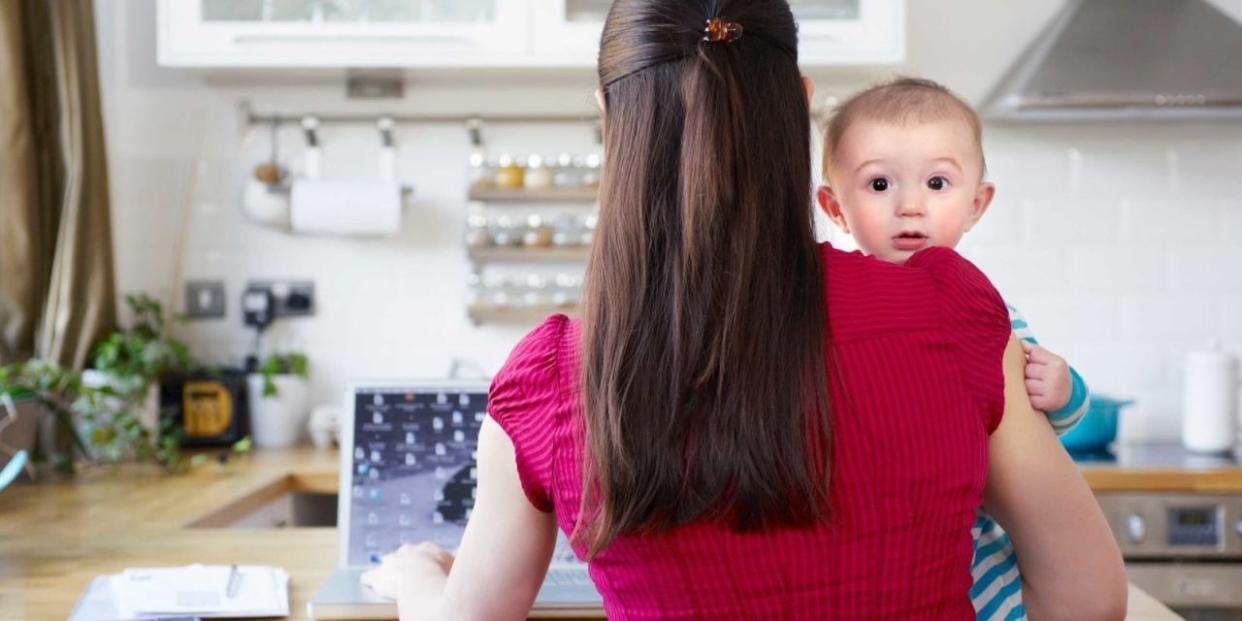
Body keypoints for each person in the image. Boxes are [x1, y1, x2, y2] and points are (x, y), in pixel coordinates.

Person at [362, 2, 1127, 619]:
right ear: (799, 102)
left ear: (608, 114)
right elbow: (1089, 599)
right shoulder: (949, 309)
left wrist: (417, 577)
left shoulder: (547, 377)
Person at [815, 77, 1094, 620]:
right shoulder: (828, 312)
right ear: (835, 207)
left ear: (976, 204)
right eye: (878, 186)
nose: (911, 206)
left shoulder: (984, 311)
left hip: (976, 565)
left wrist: (1061, 389)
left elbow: (1051, 422)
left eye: (937, 183)